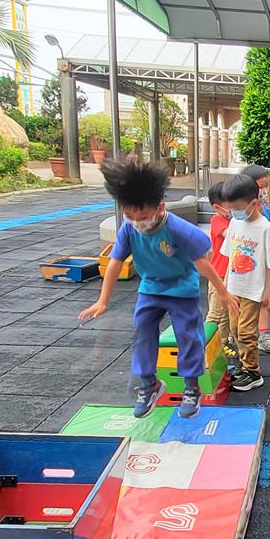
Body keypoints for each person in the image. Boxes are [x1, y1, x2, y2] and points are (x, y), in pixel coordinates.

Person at [79, 158, 237, 419]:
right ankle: (148, 384)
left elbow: (203, 264)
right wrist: (102, 300)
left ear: (160, 208)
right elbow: (115, 262)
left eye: (142, 217)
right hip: (151, 288)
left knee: (188, 335)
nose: (137, 223)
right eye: (130, 217)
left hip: (181, 289)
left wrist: (222, 291)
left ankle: (191, 387)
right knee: (142, 329)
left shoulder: (177, 229)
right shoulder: (129, 229)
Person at [222, 174, 270, 391]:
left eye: (237, 208)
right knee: (235, 329)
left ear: (254, 203)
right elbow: (230, 257)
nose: (233, 212)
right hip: (234, 288)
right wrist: (225, 286)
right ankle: (244, 363)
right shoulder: (235, 223)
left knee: (246, 331)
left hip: (253, 290)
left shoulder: (264, 228)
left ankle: (253, 372)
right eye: (231, 208)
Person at [241, 164, 270, 355]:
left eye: (266, 186)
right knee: (240, 302)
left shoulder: (267, 213)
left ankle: (263, 335)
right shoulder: (238, 213)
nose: (264, 191)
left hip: (260, 264)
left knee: (262, 299)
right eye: (260, 187)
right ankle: (235, 334)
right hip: (242, 265)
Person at [205, 181, 238, 364]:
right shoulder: (217, 220)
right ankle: (205, 346)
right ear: (217, 207)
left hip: (230, 274)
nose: (233, 206)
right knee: (215, 313)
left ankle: (222, 343)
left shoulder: (230, 220)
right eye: (229, 203)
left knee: (226, 314)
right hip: (219, 274)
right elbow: (230, 236)